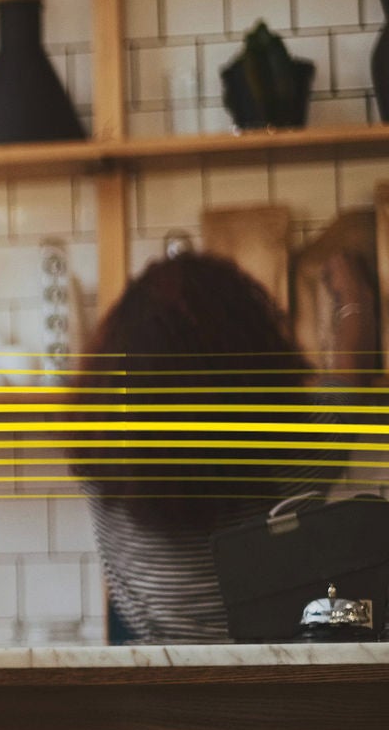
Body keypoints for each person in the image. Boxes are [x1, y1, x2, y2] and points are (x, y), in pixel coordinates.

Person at [71, 251, 361, 643]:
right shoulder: (300, 455)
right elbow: (347, 383)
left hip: (152, 676)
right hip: (274, 675)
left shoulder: (101, 468)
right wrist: (354, 299)